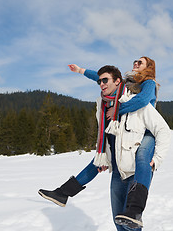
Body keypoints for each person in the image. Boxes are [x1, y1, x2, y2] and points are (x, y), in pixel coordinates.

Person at [39, 64, 171, 230]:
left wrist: (157, 159)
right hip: (117, 173)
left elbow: (163, 130)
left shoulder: (136, 104)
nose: (101, 84)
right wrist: (104, 158)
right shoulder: (103, 106)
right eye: (99, 81)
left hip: (133, 172)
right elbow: (105, 137)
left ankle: (63, 193)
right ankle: (62, 193)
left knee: (131, 225)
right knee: (119, 223)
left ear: (117, 81)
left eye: (105, 80)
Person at [68, 57, 160, 229]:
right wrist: (81, 70)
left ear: (149, 68)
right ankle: (65, 191)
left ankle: (136, 208)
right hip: (128, 134)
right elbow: (103, 77)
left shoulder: (148, 82)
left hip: (146, 132)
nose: (135, 63)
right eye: (135, 61)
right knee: (102, 157)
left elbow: (142, 101)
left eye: (140, 62)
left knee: (142, 159)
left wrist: (117, 110)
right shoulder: (127, 83)